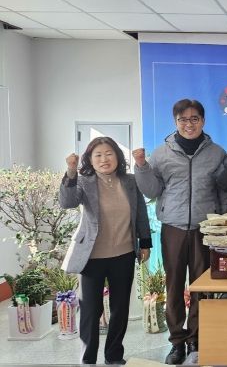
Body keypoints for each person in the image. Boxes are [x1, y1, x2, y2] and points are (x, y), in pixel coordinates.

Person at [133, 99, 227, 365]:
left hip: (205, 228)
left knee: (201, 286)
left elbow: (222, 191)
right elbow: (151, 190)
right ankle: (176, 341)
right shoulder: (161, 154)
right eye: (183, 119)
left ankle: (196, 338)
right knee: (174, 285)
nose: (189, 124)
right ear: (175, 122)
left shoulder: (217, 153)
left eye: (194, 118)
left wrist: (222, 225)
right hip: (173, 227)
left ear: (203, 121)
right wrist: (141, 166)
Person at [60, 137, 152, 365]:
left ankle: (114, 356)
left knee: (120, 308)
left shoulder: (130, 181)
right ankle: (88, 358)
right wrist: (71, 171)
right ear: (90, 160)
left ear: (117, 157)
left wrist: (145, 242)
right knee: (91, 310)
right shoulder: (84, 182)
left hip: (124, 254)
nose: (104, 159)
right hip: (92, 257)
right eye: (98, 155)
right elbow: (67, 202)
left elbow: (140, 213)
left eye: (109, 153)